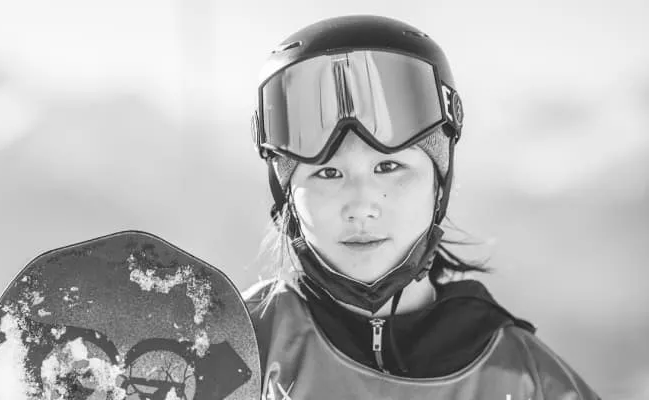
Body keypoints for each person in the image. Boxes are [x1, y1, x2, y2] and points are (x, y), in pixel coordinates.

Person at [243, 15, 600, 399]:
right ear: (288, 199)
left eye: (388, 168)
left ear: (437, 185)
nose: (361, 206)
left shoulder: (530, 381)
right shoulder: (238, 346)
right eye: (328, 173)